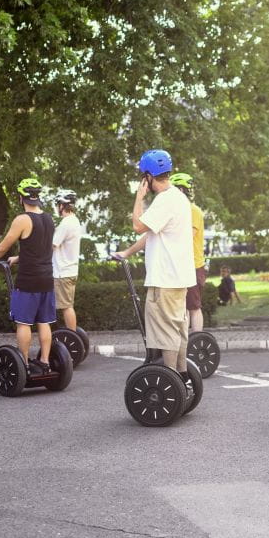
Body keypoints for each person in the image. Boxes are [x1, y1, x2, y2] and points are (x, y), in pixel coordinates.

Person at [113, 149, 197, 375]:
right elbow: (151, 233)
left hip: (165, 280)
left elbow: (138, 226)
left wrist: (138, 199)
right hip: (179, 279)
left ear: (149, 176)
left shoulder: (164, 200)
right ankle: (182, 375)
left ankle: (171, 378)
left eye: (143, 176)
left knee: (165, 331)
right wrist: (128, 252)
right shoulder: (179, 198)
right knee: (178, 328)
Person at [0, 178, 55, 375]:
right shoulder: (49, 219)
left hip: (29, 280)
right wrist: (18, 258)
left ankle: (24, 363)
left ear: (21, 198)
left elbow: (3, 246)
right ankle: (45, 362)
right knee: (44, 322)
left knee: (23, 322)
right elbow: (40, 250)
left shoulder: (22, 219)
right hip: (47, 278)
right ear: (37, 197)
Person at [169, 173, 207, 332]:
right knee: (181, 307)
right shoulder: (178, 211)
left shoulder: (193, 211)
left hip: (193, 266)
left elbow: (186, 237)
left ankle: (197, 341)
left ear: (181, 190)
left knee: (194, 306)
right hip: (180, 266)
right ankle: (183, 342)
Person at [52, 189, 82, 331]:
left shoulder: (66, 223)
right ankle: (73, 335)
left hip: (63, 272)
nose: (57, 207)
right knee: (67, 306)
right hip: (69, 270)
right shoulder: (74, 221)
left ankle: (72, 336)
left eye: (58, 204)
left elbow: (52, 245)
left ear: (62, 205)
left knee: (66, 307)